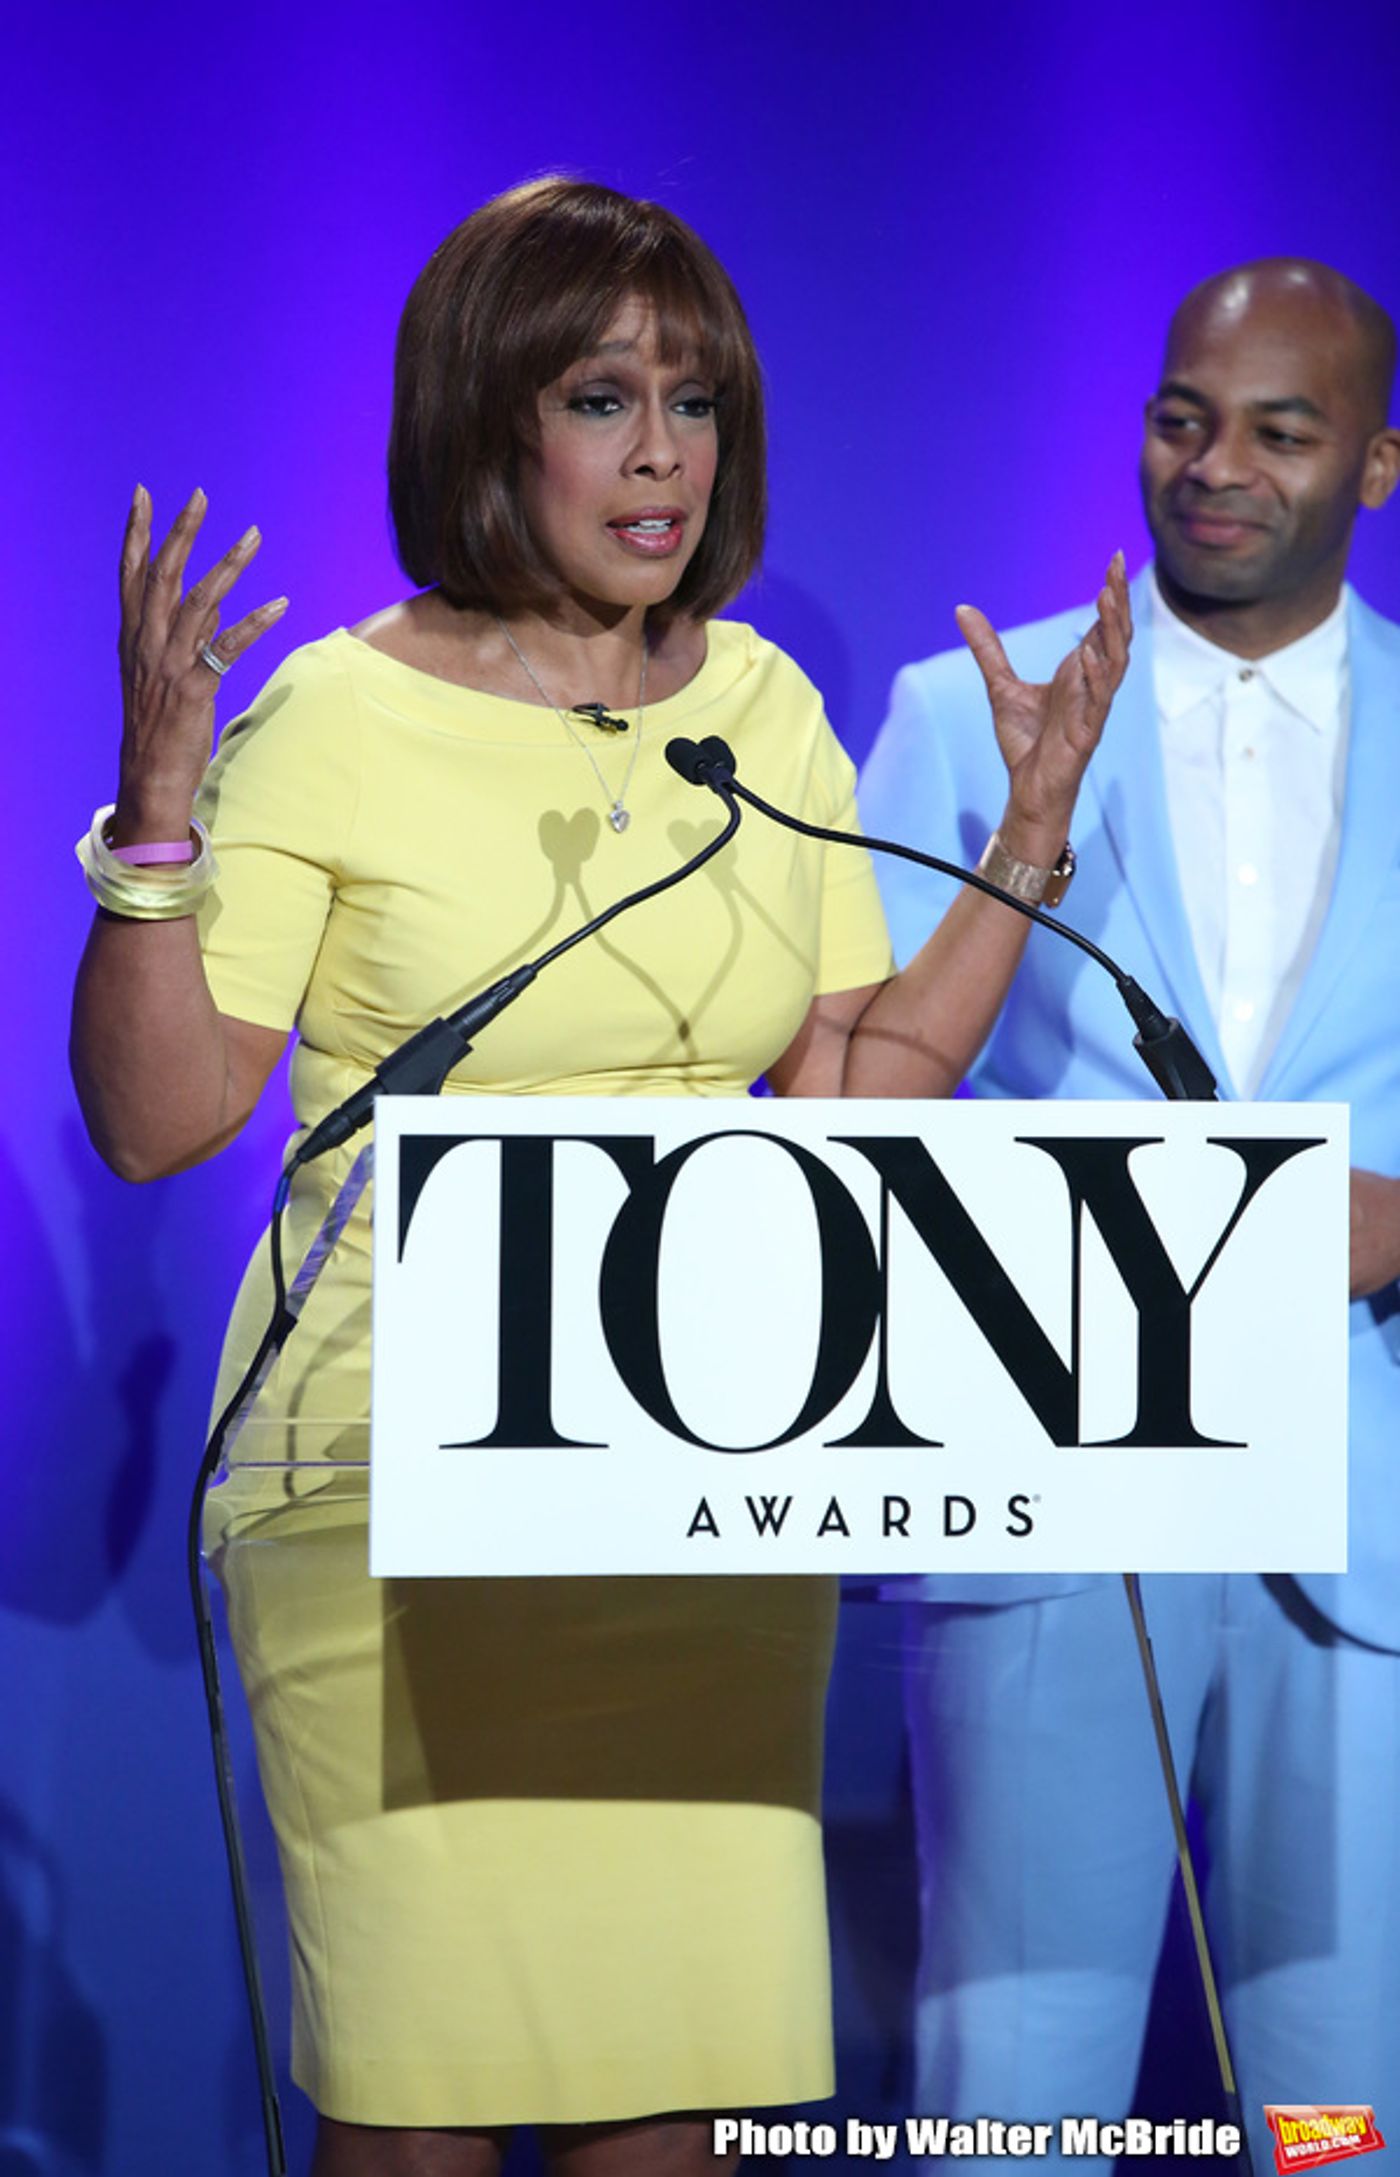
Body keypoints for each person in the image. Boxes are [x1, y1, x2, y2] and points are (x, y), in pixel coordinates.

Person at [70, 179, 1128, 2177]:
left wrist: (1024, 848)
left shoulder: (757, 712)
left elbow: (850, 1086)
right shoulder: (339, 718)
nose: (660, 455)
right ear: (486, 421)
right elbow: (158, 1116)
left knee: (682, 2121)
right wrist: (158, 815)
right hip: (386, 1492)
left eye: (698, 401)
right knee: (416, 2116)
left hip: (688, 1486)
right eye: (602, 396)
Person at [860, 258, 1400, 2171]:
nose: (1216, 466)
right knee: (1015, 2102)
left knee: (1341, 2107)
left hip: (1360, 1522)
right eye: (1184, 417)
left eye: (1281, 429)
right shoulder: (958, 712)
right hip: (1048, 1501)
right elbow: (848, 1113)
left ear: (1379, 464)